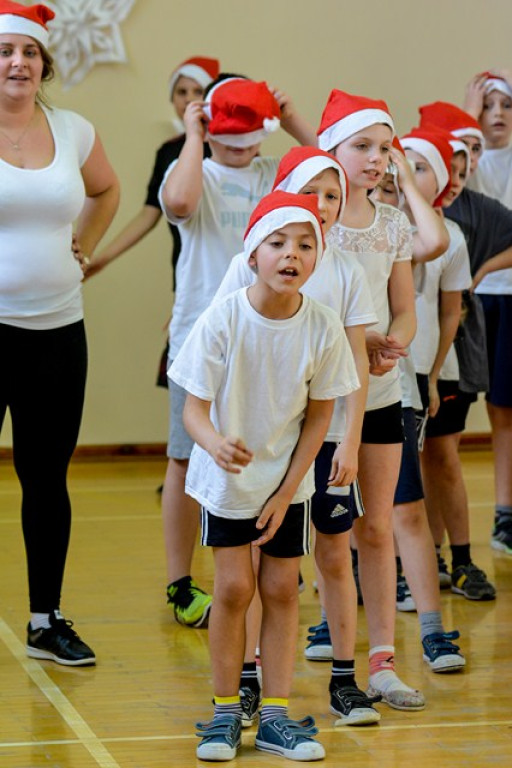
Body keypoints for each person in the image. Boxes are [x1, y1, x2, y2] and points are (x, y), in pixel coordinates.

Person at [170, 191, 359, 761]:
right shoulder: (224, 318)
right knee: (233, 588)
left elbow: (322, 413)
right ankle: (226, 712)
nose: (291, 253)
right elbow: (192, 411)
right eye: (277, 242)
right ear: (253, 254)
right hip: (228, 482)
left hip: (289, 481)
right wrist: (216, 445)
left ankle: (274, 715)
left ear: (317, 258)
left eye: (305, 244)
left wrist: (286, 489)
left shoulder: (322, 327)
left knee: (280, 589)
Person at [215, 146, 380, 726]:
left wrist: (352, 442)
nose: (323, 206)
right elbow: (226, 350)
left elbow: (356, 361)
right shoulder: (255, 262)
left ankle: (343, 676)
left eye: (333, 195)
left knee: (334, 554)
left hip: (330, 437)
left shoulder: (348, 271)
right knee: (264, 570)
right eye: (311, 193)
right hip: (271, 445)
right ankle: (251, 678)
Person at [158, 76, 314, 628]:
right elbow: (177, 202)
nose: (245, 151)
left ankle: (263, 557)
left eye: (254, 140)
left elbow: (326, 174)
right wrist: (193, 136)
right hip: (202, 334)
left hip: (270, 338)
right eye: (234, 141)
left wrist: (292, 120)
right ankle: (181, 583)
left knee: (263, 448)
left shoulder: (274, 174)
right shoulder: (194, 170)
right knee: (187, 454)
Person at [0, 1, 119, 665]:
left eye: (28, 52)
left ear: (44, 63)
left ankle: (46, 619)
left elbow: (107, 192)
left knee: (46, 478)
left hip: (57, 332)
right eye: (5, 51)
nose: (17, 62)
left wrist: (86, 249)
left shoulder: (73, 129)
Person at [317, 89, 422, 710]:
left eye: (384, 148)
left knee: (375, 527)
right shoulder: (310, 226)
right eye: (362, 146)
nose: (376, 159)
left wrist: (394, 344)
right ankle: (320, 663)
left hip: (381, 395)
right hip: (316, 406)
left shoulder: (392, 225)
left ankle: (382, 661)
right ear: (332, 148)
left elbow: (404, 310)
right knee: (319, 541)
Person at [418, 100, 512, 595]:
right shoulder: (398, 213)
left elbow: (451, 307)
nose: (457, 175)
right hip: (399, 362)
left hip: (450, 357)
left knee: (443, 455)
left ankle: (457, 558)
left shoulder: (471, 217)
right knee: (402, 466)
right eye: (446, 165)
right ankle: (414, 560)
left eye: (466, 163)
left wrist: (479, 272)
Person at [388, 128, 468, 672]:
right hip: (335, 385)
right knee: (337, 512)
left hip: (398, 383)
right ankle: (332, 618)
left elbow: (433, 242)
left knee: (406, 508)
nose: (393, 169)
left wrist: (434, 375)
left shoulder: (412, 230)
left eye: (417, 167)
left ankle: (433, 631)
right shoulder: (344, 220)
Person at [84, 56, 219, 283]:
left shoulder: (233, 147)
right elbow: (149, 214)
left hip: (229, 263)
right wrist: (103, 258)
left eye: (198, 91)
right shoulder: (168, 151)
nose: (189, 100)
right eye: (181, 92)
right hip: (188, 267)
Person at [462, 72, 512, 555]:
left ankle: (504, 515)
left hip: (505, 295)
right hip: (470, 302)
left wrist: (482, 270)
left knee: (504, 414)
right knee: (447, 416)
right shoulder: (467, 159)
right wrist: (466, 113)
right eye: (488, 105)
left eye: (506, 105)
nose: (496, 114)